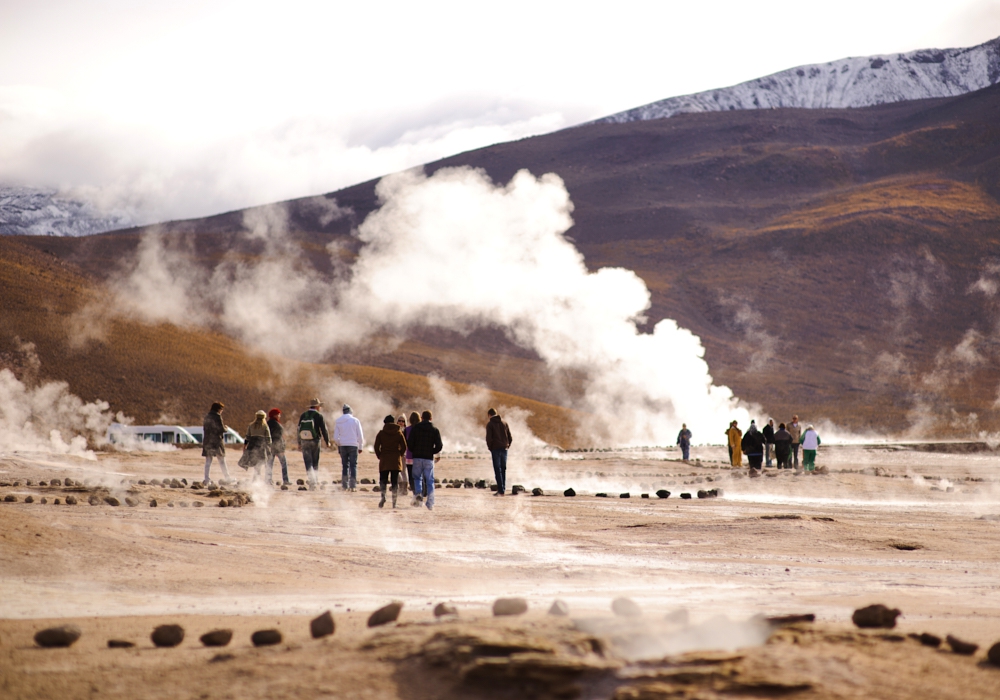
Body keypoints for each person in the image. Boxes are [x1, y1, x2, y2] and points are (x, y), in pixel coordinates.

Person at [408, 410, 442, 510]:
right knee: (430, 480)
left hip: (417, 457)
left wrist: (414, 451)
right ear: (431, 418)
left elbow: (410, 443)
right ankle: (430, 503)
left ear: (422, 418)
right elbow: (439, 445)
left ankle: (418, 494)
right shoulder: (434, 429)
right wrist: (433, 451)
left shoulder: (416, 428)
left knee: (418, 478)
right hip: (428, 458)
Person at [374, 415, 407, 508]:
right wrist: (399, 454)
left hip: (384, 459)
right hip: (395, 460)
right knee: (394, 482)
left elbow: (376, 447)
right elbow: (404, 446)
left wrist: (380, 455)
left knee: (383, 480)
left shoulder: (381, 433)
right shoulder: (399, 433)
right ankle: (394, 502)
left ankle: (383, 496)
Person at [297, 399, 330, 486]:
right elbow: (324, 429)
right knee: (315, 462)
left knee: (308, 462)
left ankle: (312, 482)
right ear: (316, 406)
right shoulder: (319, 416)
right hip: (315, 441)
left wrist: (299, 443)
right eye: (319, 406)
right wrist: (327, 441)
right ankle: (315, 480)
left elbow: (298, 429)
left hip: (304, 441)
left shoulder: (303, 415)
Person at [333, 404, 365, 491]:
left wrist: (340, 444)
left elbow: (335, 437)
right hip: (353, 445)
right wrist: (361, 446)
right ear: (351, 411)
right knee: (353, 465)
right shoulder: (355, 420)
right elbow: (360, 436)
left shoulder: (338, 421)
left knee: (345, 466)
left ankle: (344, 486)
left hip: (343, 445)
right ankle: (353, 486)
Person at [485, 408, 513, 496]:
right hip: (504, 449)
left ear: (489, 415)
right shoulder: (504, 423)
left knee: (498, 470)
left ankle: (501, 491)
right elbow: (510, 437)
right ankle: (503, 489)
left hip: (495, 449)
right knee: (503, 469)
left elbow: (489, 439)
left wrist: (491, 448)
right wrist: (507, 446)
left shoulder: (490, 424)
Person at [202, 402, 231, 483]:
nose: (222, 411)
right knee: (222, 460)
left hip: (208, 440)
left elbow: (205, 429)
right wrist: (226, 428)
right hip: (217, 441)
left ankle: (206, 479)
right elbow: (221, 429)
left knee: (208, 461)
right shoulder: (218, 416)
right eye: (221, 409)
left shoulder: (207, 416)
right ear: (218, 409)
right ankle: (227, 478)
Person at [242, 410, 272, 480]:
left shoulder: (251, 425)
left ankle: (255, 479)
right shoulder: (265, 426)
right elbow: (268, 438)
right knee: (259, 464)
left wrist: (245, 446)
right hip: (261, 446)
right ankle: (256, 480)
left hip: (252, 446)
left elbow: (247, 437)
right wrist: (269, 446)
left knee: (255, 463)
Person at [266, 408, 289, 485]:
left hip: (269, 447)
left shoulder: (267, 424)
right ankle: (285, 480)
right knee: (284, 464)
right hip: (278, 447)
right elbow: (279, 438)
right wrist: (282, 449)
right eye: (278, 414)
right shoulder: (277, 425)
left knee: (269, 464)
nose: (280, 416)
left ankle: (268, 480)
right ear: (275, 415)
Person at [404, 411, 420, 496]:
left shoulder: (407, 429)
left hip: (409, 456)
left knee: (411, 476)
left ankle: (414, 493)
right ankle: (419, 492)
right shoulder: (421, 429)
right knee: (418, 476)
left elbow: (404, 443)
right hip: (419, 456)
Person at [395, 415, 410, 495]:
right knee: (397, 471)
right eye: (399, 420)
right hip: (396, 453)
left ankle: (404, 489)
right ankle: (401, 487)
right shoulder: (395, 430)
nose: (401, 422)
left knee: (403, 471)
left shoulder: (406, 431)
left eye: (403, 421)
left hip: (404, 453)